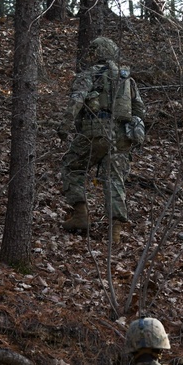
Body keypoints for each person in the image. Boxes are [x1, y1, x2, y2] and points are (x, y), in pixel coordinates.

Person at [60, 35, 146, 244]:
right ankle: (114, 232)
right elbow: (139, 109)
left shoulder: (89, 74)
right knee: (114, 180)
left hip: (95, 132)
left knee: (72, 166)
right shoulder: (127, 79)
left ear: (95, 53)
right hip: (122, 137)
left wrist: (64, 125)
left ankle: (81, 215)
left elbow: (77, 100)